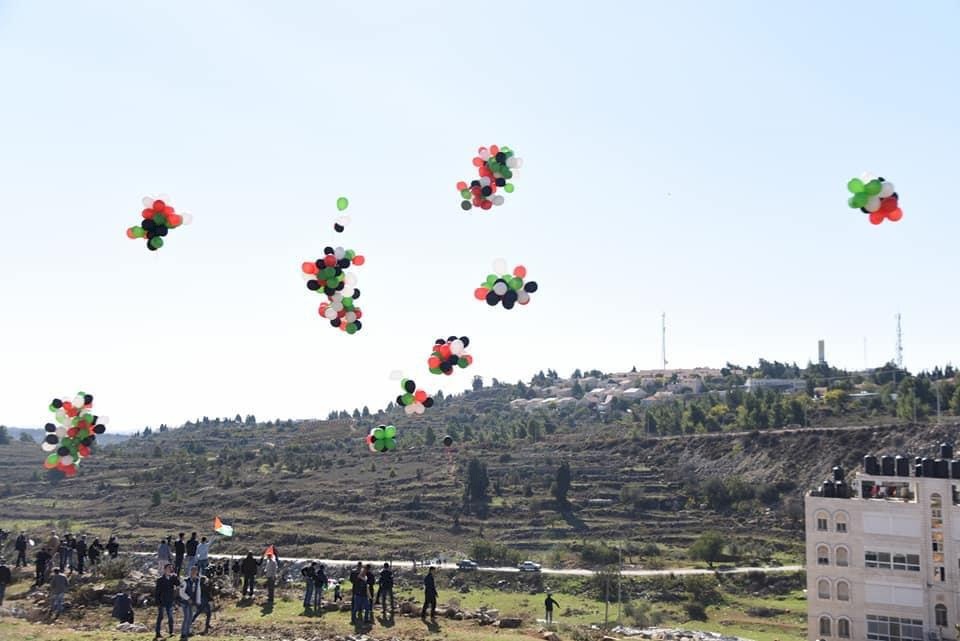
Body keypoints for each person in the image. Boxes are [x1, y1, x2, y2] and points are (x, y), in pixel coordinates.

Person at [154, 563, 180, 640]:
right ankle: (157, 633)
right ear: (165, 569)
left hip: (170, 601)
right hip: (162, 601)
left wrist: (176, 577)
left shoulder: (172, 578)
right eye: (169, 568)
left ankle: (171, 632)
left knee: (170, 617)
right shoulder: (160, 580)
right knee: (160, 617)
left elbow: (178, 584)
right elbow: (157, 592)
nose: (170, 569)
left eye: (171, 568)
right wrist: (157, 602)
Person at [179, 566, 201, 641]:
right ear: (190, 571)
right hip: (185, 602)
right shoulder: (185, 580)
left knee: (190, 617)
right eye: (192, 571)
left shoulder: (197, 580)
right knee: (186, 617)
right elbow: (181, 592)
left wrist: (198, 601)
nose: (194, 573)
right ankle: (183, 634)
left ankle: (187, 632)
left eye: (195, 571)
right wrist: (188, 598)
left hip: (192, 603)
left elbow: (198, 591)